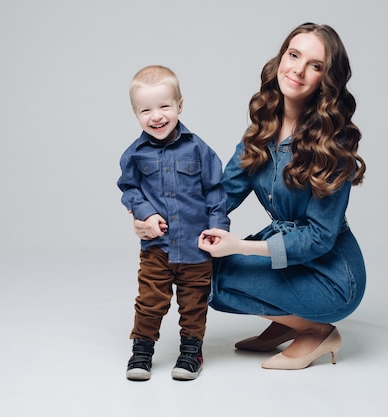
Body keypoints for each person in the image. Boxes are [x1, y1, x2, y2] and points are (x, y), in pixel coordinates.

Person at [136, 23, 366, 370]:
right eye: (294, 55)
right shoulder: (261, 131)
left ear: (326, 79)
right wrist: (154, 220)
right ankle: (285, 321)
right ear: (281, 58)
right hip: (285, 253)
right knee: (198, 272)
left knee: (210, 281)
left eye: (315, 65)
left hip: (331, 274)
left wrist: (241, 247)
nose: (299, 70)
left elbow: (319, 238)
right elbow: (220, 193)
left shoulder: (333, 144)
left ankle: (316, 331)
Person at [117, 65, 230, 381]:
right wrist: (145, 214)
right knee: (150, 301)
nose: (157, 116)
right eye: (146, 110)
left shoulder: (198, 149)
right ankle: (142, 351)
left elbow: (215, 191)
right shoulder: (135, 154)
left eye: (165, 106)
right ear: (135, 113)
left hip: (196, 246)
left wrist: (218, 228)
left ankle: (191, 351)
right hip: (157, 248)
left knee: (193, 304)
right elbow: (129, 189)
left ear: (180, 105)